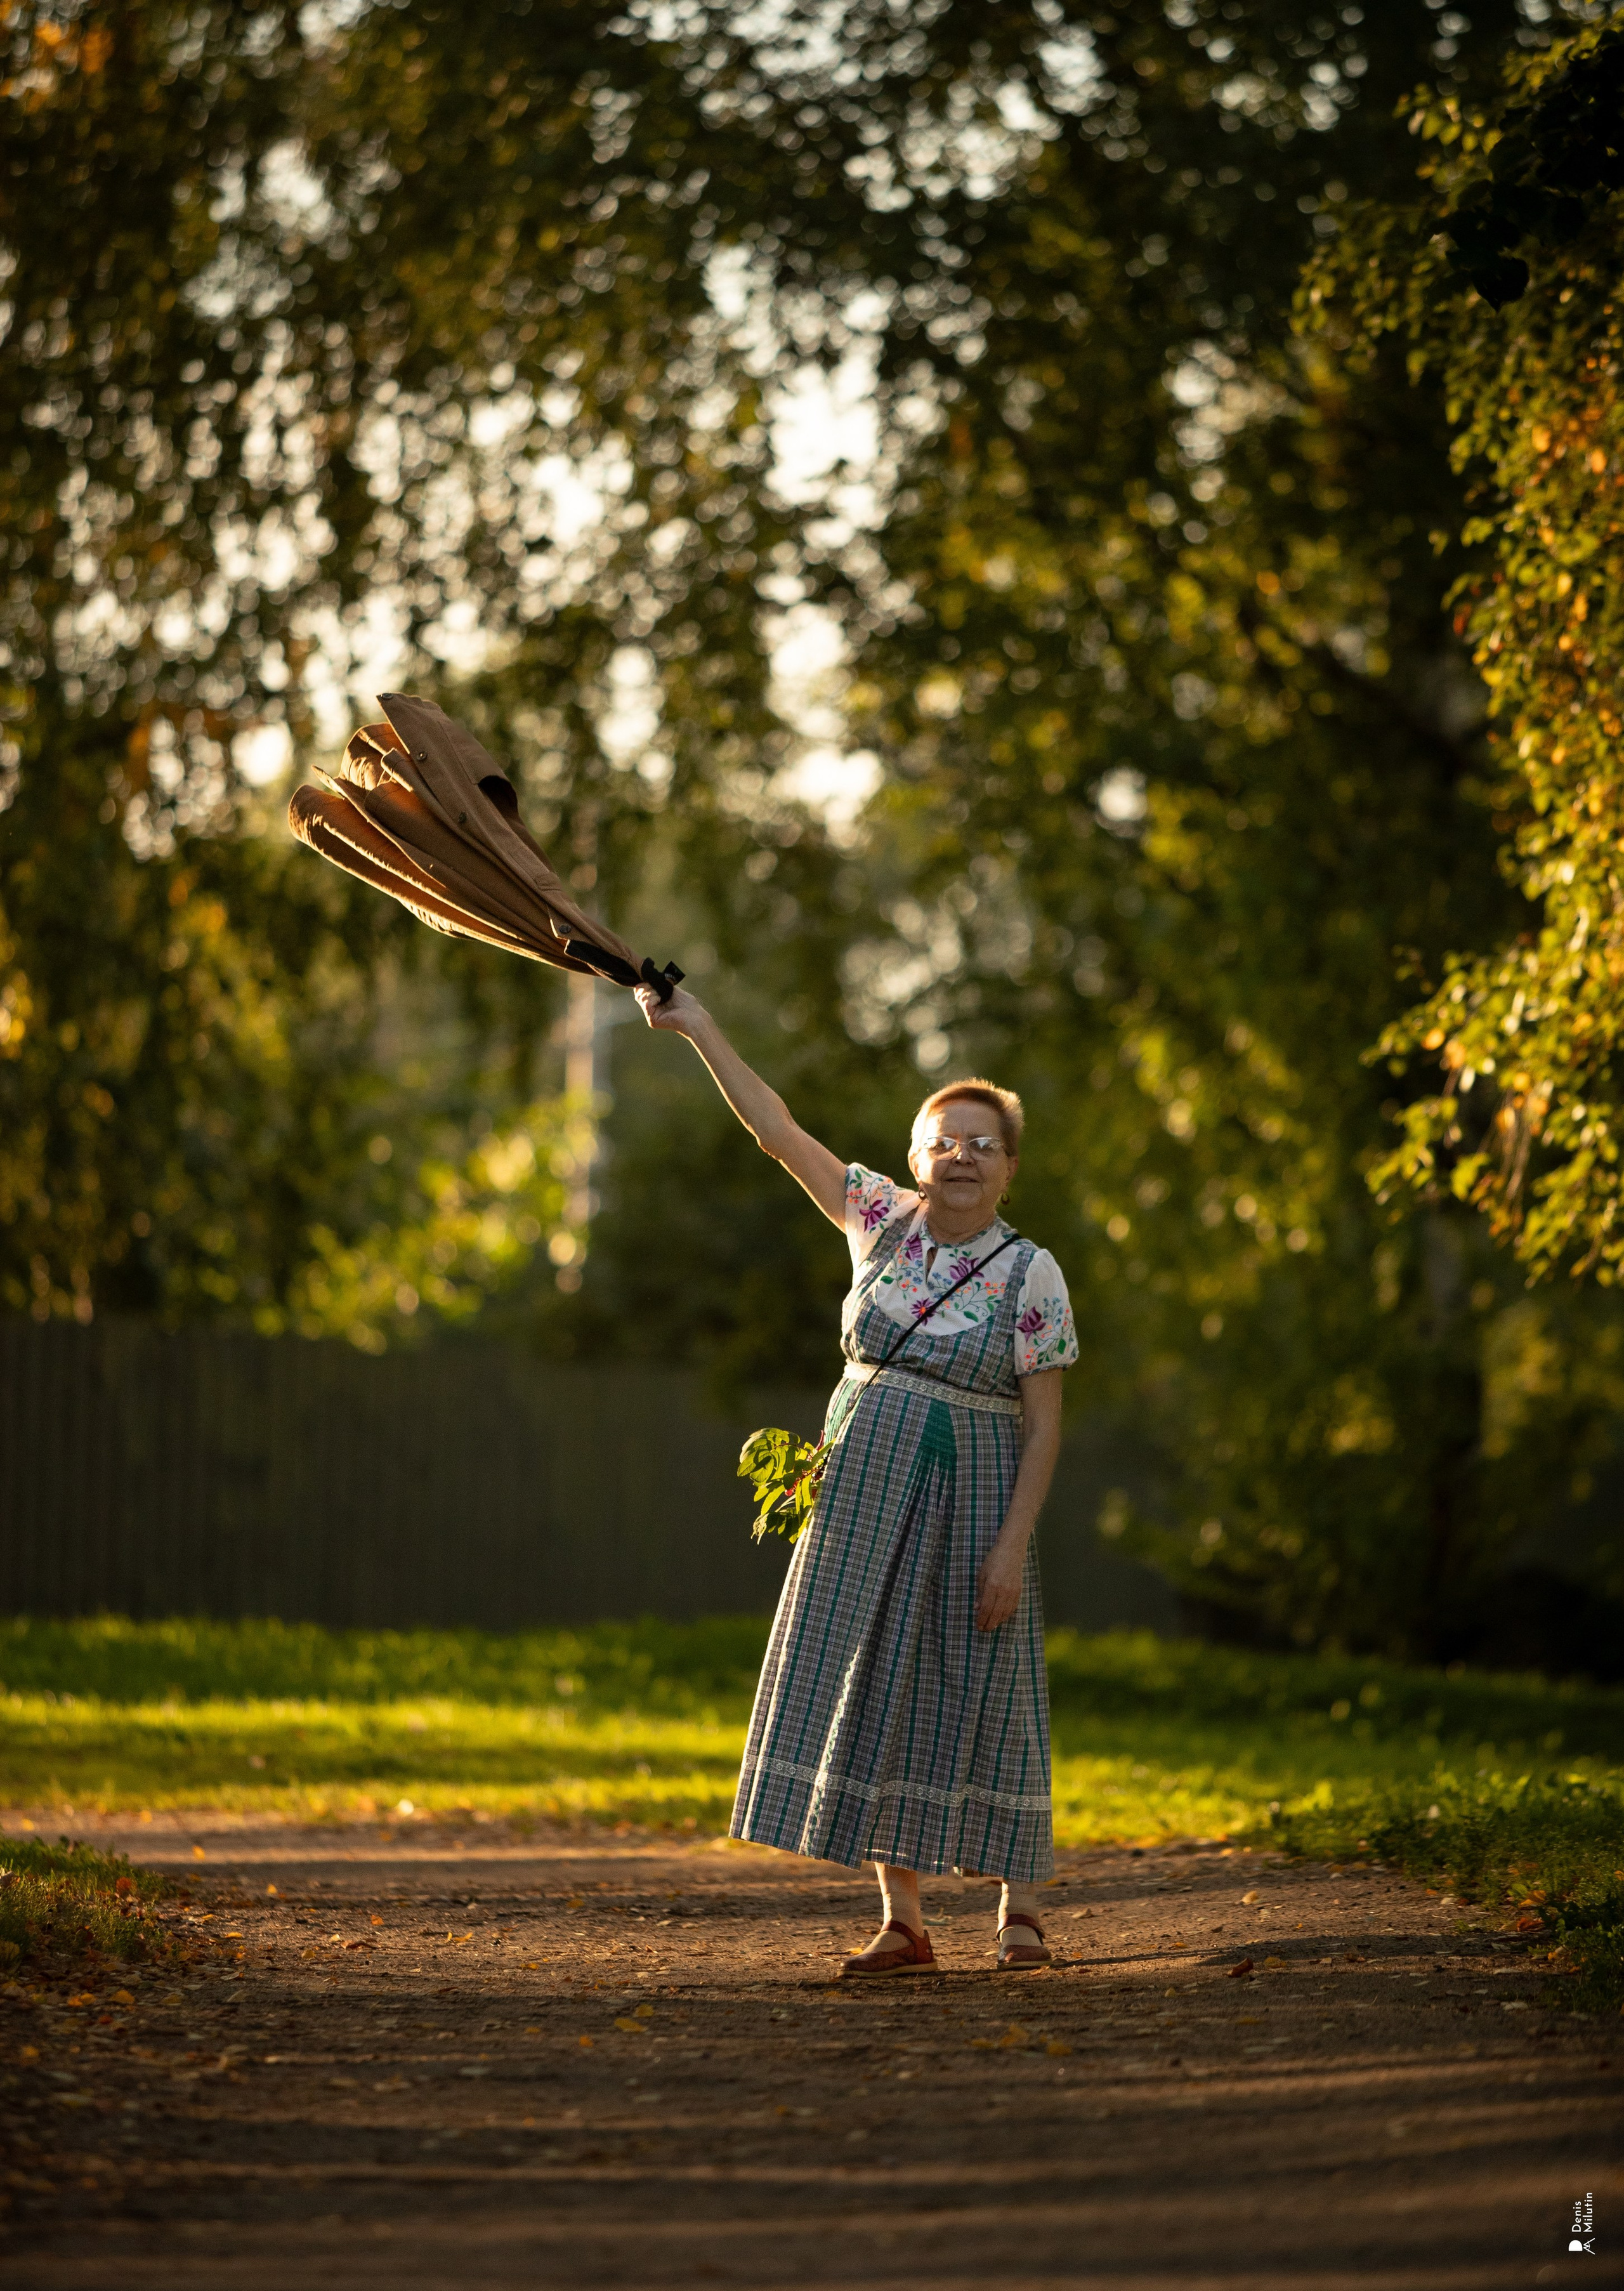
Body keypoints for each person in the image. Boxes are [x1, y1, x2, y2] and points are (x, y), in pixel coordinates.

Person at [634, 981, 1078, 1975]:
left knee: (987, 1683)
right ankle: (904, 1921)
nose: (961, 1156)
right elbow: (774, 1127)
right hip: (865, 1490)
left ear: (1010, 1168)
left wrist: (1011, 1544)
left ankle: (1023, 1909)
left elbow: (1046, 1426)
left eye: (983, 1144)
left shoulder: (1030, 1273)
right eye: (944, 1141)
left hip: (975, 1492)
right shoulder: (877, 1218)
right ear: (914, 1159)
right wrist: (700, 1025)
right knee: (872, 1683)